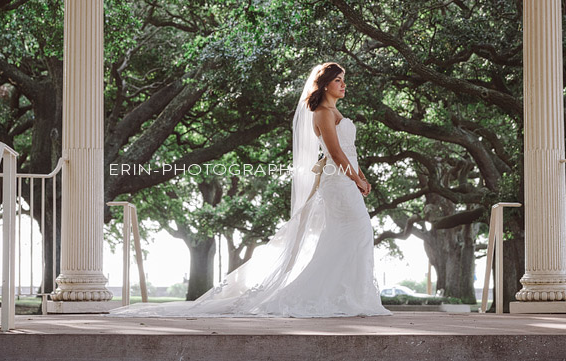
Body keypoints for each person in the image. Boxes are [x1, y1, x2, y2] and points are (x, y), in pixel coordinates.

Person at [110, 62, 392, 318]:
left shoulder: (335, 110)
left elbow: (349, 151)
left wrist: (361, 175)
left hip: (346, 179)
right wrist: (357, 180)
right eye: (339, 80)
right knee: (358, 232)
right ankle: (325, 296)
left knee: (348, 237)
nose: (344, 84)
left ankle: (346, 296)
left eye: (344, 80)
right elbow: (335, 153)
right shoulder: (322, 113)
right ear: (326, 84)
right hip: (339, 183)